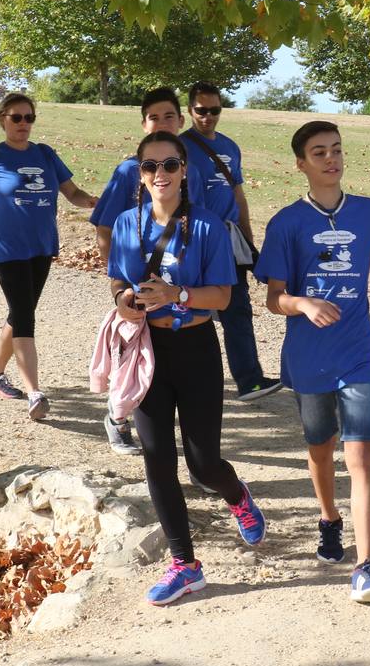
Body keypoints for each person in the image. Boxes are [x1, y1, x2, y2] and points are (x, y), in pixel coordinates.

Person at [107, 131, 268, 605]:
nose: (161, 174)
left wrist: (177, 295)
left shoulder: (207, 227)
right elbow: (118, 278)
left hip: (196, 346)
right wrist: (124, 302)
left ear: (184, 172)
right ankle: (185, 565)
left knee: (202, 464)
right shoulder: (125, 224)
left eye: (171, 165)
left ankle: (236, 494)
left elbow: (223, 296)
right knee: (157, 458)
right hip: (148, 350)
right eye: (151, 166)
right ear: (140, 174)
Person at [256, 121, 370, 603]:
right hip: (308, 355)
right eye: (318, 153)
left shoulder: (367, 211)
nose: (330, 159)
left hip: (359, 351)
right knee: (321, 446)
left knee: (360, 454)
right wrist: (303, 304)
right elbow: (273, 299)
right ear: (301, 164)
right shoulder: (286, 224)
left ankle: (365, 566)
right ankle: (328, 519)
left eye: (336, 150)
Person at [0, 93, 97, 419]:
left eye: (28, 118)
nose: (23, 124)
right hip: (6, 249)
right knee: (24, 314)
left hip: (41, 246)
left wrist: (93, 201)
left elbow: (72, 193)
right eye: (16, 117)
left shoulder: (46, 155)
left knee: (21, 311)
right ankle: (35, 393)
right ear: (2, 118)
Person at [91, 87, 209, 455]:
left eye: (169, 117)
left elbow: (198, 228)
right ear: (143, 123)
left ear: (181, 121)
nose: (162, 123)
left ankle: (192, 452)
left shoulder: (193, 171)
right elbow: (104, 227)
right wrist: (120, 282)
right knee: (130, 357)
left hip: (178, 286)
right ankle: (119, 418)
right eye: (154, 118)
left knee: (167, 367)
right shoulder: (129, 169)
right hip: (137, 289)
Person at [183, 82, 282, 402]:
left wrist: (248, 240)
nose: (208, 116)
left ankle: (250, 381)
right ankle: (183, 384)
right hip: (195, 240)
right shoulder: (180, 146)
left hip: (229, 241)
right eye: (201, 110)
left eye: (214, 110)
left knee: (237, 309)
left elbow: (238, 195)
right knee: (189, 311)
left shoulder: (230, 147)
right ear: (190, 111)